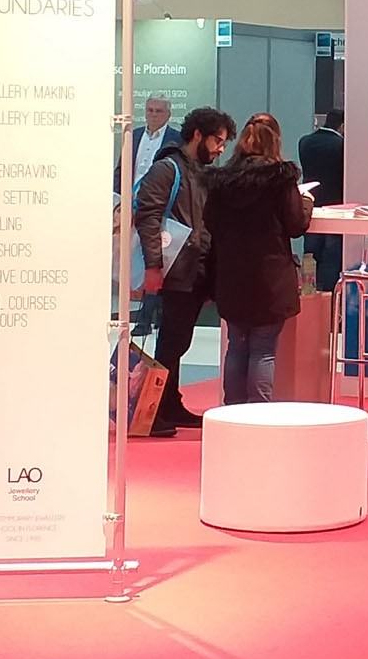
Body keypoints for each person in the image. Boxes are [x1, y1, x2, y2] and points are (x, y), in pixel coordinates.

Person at [136, 105, 236, 435]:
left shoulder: (200, 172)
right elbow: (148, 217)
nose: (221, 149)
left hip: (193, 270)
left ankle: (168, 404)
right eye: (218, 141)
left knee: (178, 340)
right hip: (173, 268)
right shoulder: (167, 169)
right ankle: (152, 411)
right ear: (197, 135)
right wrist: (154, 265)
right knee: (171, 341)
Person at [203, 120, 314, 404]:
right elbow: (295, 225)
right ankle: (258, 411)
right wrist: (306, 203)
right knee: (264, 350)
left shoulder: (221, 181)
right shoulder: (281, 179)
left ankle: (231, 409)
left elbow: (210, 222)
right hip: (270, 276)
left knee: (236, 346)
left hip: (231, 274)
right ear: (275, 141)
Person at [127, 95, 182, 334]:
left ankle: (147, 318)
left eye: (159, 111)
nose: (153, 114)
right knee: (137, 263)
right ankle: (147, 314)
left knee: (156, 261)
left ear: (168, 114)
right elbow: (122, 169)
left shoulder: (176, 139)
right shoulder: (134, 136)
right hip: (132, 207)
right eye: (150, 110)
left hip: (162, 209)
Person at [297, 108, 345, 291]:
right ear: (342, 125)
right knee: (332, 259)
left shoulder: (305, 142)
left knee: (310, 256)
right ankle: (328, 298)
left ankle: (310, 294)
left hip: (310, 207)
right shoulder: (341, 146)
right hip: (336, 208)